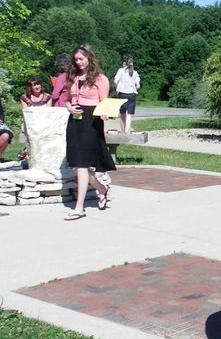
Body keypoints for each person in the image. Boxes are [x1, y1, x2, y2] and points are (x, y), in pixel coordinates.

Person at [62, 44, 114, 221]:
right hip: (75, 122)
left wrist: (105, 122)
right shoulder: (73, 77)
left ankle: (79, 208)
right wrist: (70, 108)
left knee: (83, 165)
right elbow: (67, 101)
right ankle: (102, 189)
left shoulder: (101, 79)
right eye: (76, 59)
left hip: (92, 122)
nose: (78, 62)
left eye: (81, 59)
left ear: (89, 58)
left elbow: (104, 103)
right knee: (78, 166)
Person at [18, 77, 51, 160]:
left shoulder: (47, 97)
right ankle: (27, 153)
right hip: (31, 123)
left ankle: (26, 152)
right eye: (34, 85)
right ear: (30, 87)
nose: (37, 87)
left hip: (44, 123)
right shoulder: (25, 98)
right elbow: (25, 113)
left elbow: (49, 113)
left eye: (38, 84)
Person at [113, 57, 141, 134]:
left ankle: (123, 131)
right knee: (129, 114)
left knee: (122, 113)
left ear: (124, 63)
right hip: (132, 94)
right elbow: (138, 86)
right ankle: (127, 131)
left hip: (122, 93)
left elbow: (115, 81)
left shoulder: (121, 71)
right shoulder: (135, 73)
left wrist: (118, 88)